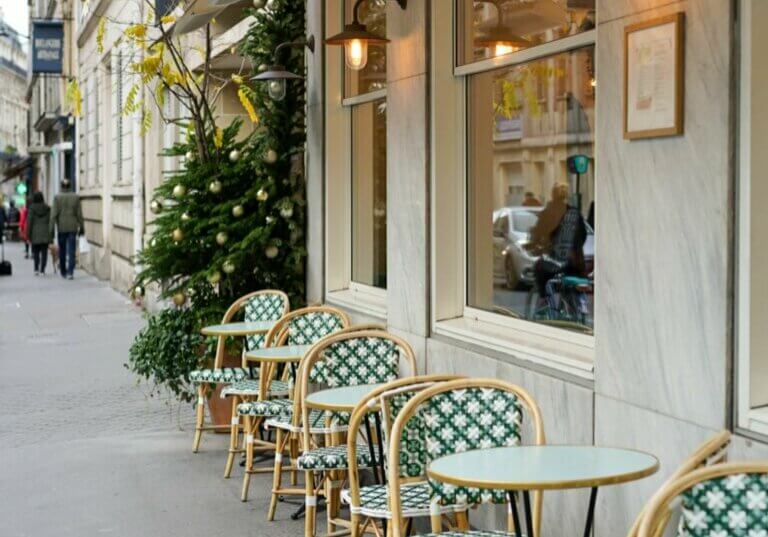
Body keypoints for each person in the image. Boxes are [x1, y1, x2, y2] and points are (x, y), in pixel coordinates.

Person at [528, 183, 587, 298]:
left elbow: (539, 232)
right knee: (577, 282)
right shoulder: (575, 213)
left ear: (552, 195)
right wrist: (574, 249)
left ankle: (545, 300)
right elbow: (583, 235)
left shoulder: (547, 213)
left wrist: (533, 244)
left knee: (539, 268)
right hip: (576, 263)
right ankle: (579, 304)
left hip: (555, 262)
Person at [49, 179, 84, 280]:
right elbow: (79, 214)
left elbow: (53, 215)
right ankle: (70, 272)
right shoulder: (75, 197)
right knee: (72, 250)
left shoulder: (57, 198)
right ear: (70, 186)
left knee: (62, 250)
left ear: (61, 186)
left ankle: (63, 271)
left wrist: (51, 230)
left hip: (62, 228)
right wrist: (82, 227)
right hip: (73, 227)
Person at [27, 192, 52, 275]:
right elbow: (50, 221)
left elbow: (29, 222)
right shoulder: (47, 208)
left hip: (35, 233)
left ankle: (36, 269)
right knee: (44, 252)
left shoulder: (32, 208)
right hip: (45, 232)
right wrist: (51, 234)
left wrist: (28, 235)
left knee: (36, 252)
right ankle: (42, 270)